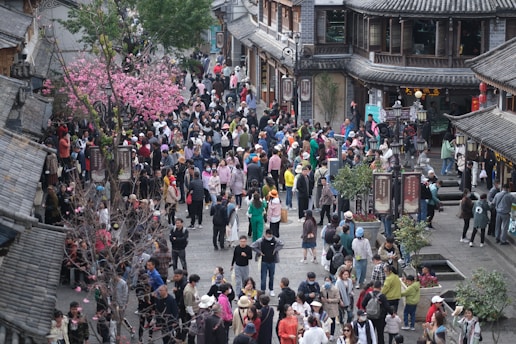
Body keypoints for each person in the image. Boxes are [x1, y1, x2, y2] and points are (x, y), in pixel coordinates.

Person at [251, 229, 285, 295]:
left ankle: (271, 289)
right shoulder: (260, 241)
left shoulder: (275, 240)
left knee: (271, 276)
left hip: (272, 261)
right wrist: (259, 252)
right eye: (268, 236)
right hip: (264, 261)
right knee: (263, 277)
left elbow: (281, 244)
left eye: (270, 236)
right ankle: (263, 290)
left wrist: (275, 250)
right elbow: (252, 246)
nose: (269, 237)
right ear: (265, 235)